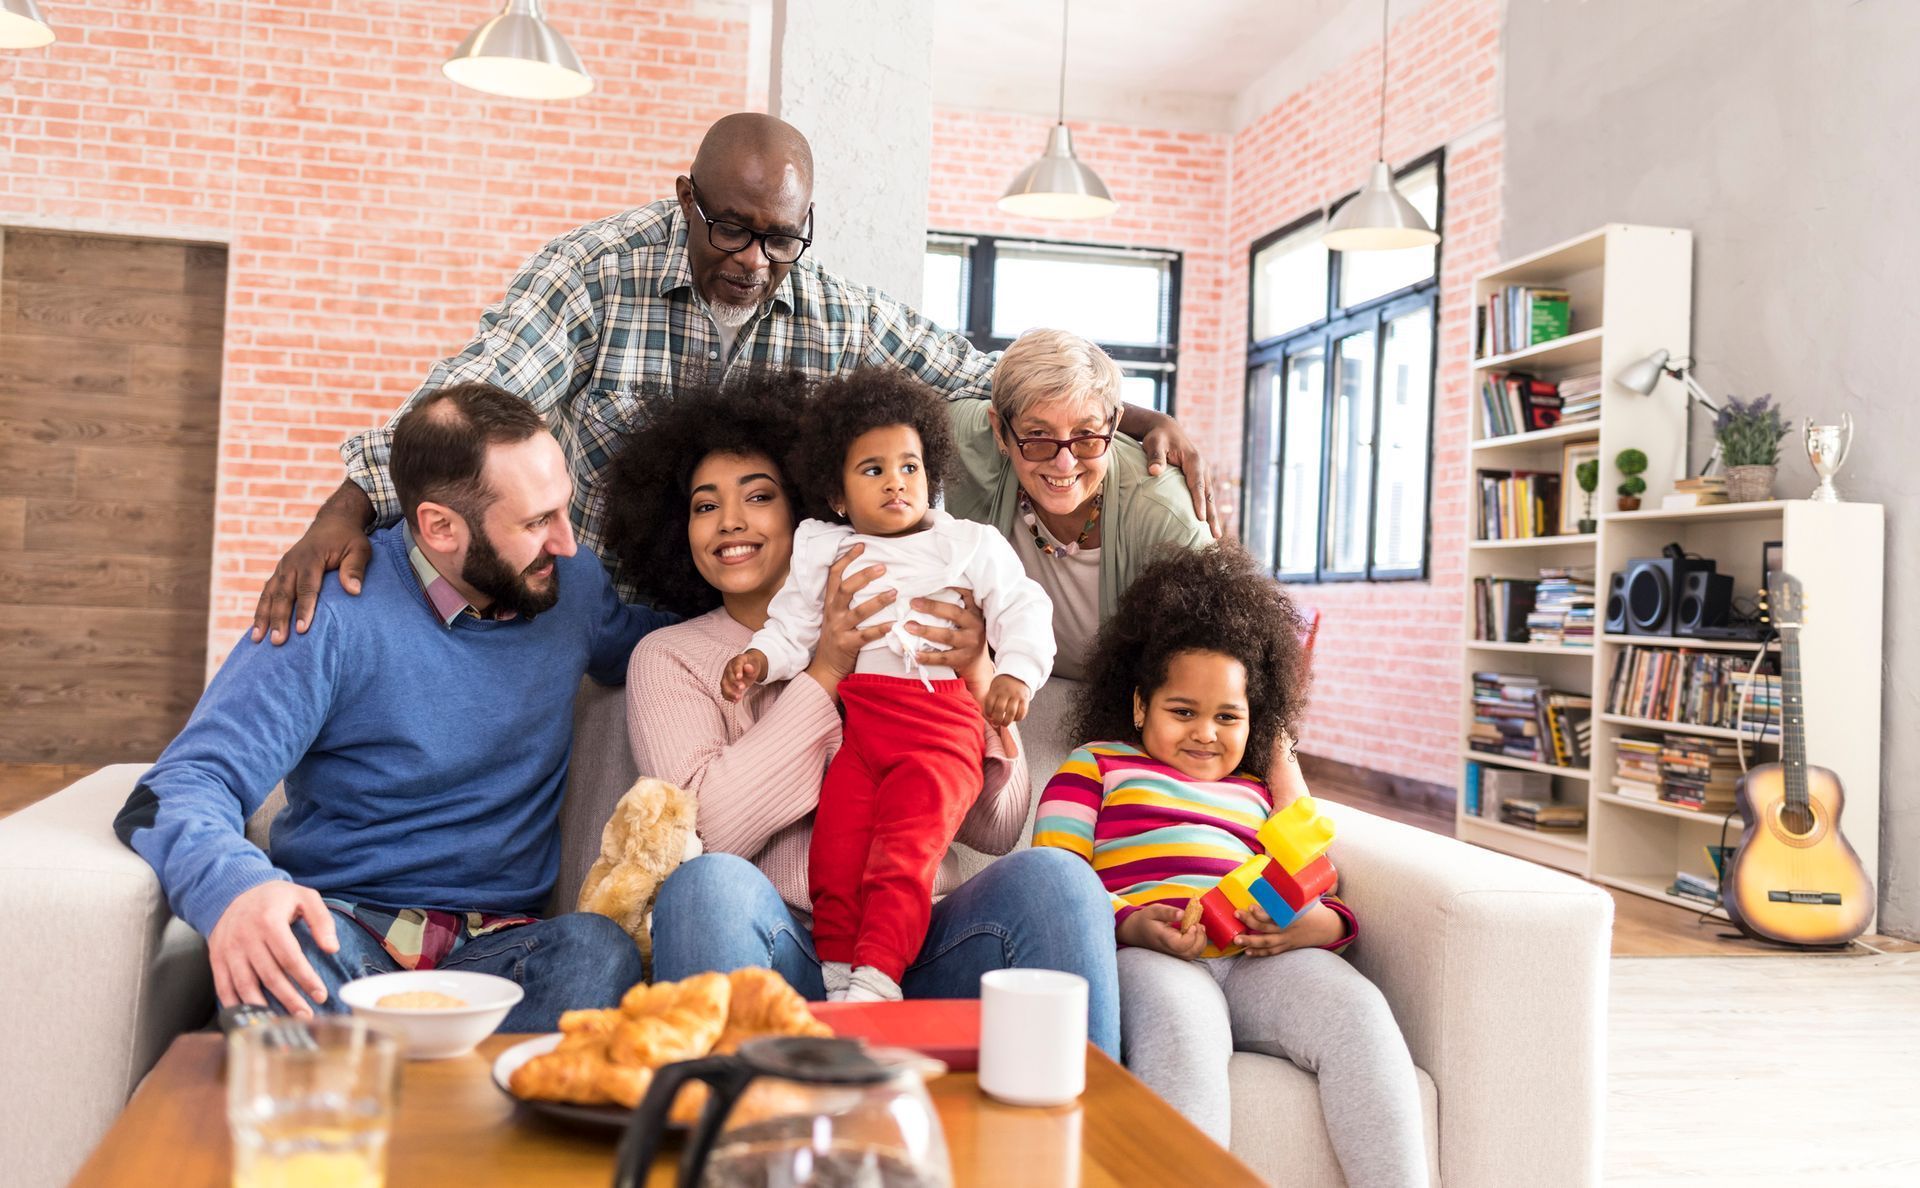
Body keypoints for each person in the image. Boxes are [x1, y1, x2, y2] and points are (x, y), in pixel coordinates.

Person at [249, 113, 1217, 644]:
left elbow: (976, 372)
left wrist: (1132, 414)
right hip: (603, 605)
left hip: (760, 617)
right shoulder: (595, 271)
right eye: (732, 228)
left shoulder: (835, 306)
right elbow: (480, 395)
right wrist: (344, 506)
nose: (757, 260)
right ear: (687, 199)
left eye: (784, 237)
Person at [114, 383, 672, 1030]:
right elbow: (182, 783)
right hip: (344, 932)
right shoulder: (328, 612)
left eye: (564, 509)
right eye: (534, 522)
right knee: (279, 958)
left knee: (599, 952)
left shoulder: (568, 589)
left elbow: (659, 643)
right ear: (438, 526)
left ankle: (408, 1111)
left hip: (502, 952)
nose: (567, 543)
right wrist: (237, 889)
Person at [601, 374, 1121, 1055]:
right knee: (704, 884)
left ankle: (1092, 1145)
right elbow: (712, 835)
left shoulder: (927, 602)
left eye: (759, 496)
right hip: (778, 952)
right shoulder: (670, 657)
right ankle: (732, 1148)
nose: (731, 521)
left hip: (923, 946)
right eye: (706, 506)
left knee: (1060, 878)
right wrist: (825, 671)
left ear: (814, 512)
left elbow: (997, 827)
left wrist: (978, 672)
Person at [1033, 542, 1425, 1185]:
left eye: (1228, 717)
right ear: (1139, 706)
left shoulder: (1256, 793)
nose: (1206, 734)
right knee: (1185, 1042)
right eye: (1182, 712)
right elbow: (1054, 886)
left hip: (1257, 961)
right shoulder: (1097, 766)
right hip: (1158, 957)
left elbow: (1306, 877)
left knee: (1359, 1016)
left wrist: (1317, 927)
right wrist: (1132, 924)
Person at [721, 371, 1055, 1003]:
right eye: (872, 471)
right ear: (839, 496)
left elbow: (1023, 607)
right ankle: (840, 971)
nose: (896, 481)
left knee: (903, 854)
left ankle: (879, 977)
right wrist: (760, 659)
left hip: (940, 727)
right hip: (865, 728)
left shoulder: (965, 545)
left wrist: (1012, 671)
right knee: (836, 855)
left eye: (909, 466)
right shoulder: (826, 550)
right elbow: (792, 624)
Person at [943, 328, 1211, 678]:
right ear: (999, 431)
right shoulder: (962, 437)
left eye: (1086, 436)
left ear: (1114, 425)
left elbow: (1216, 663)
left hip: (1122, 711)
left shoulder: (1167, 517)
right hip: (1002, 689)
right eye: (1038, 436)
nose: (1064, 463)